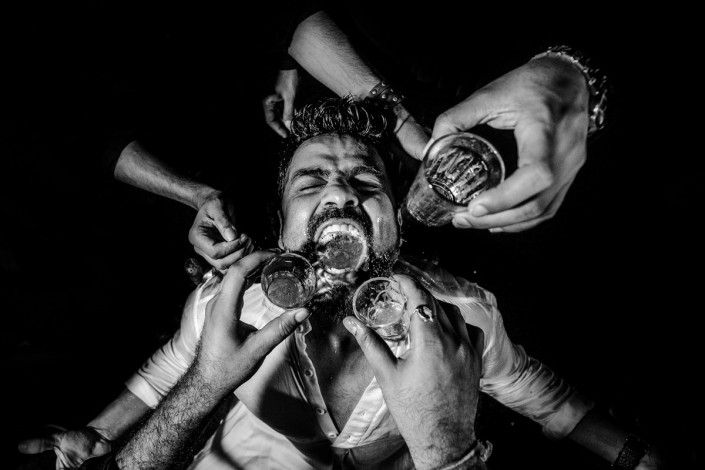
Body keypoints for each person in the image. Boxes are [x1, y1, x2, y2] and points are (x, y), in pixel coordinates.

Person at [19, 96, 661, 470]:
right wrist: (100, 432)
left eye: (364, 182)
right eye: (311, 182)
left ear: (396, 225)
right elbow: (166, 374)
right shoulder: (226, 304)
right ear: (282, 225)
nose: (340, 196)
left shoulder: (458, 315)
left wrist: (637, 456)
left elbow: (538, 393)